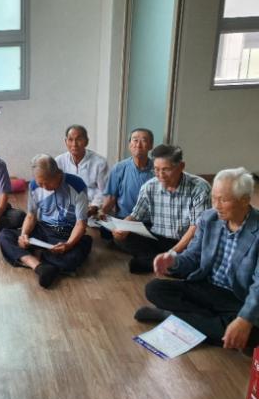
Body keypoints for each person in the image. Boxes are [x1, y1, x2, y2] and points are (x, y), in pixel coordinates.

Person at [135, 168, 259, 350]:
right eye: (213, 198)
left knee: (252, 333)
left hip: (237, 298)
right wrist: (173, 261)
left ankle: (170, 316)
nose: (216, 206)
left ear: (245, 200)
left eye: (223, 200)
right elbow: (192, 257)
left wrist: (244, 319)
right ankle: (210, 325)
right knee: (154, 288)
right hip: (205, 286)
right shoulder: (209, 219)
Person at [0, 154, 93, 288]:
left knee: (73, 258)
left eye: (46, 182)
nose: (43, 187)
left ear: (57, 174)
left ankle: (34, 256)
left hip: (67, 233)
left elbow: (80, 224)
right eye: (40, 183)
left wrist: (69, 245)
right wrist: (24, 235)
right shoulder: (34, 185)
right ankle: (38, 266)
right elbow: (31, 215)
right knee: (4, 236)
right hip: (43, 229)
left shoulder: (77, 185)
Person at [113, 144, 211, 274]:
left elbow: (195, 229)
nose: (161, 175)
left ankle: (158, 261)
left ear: (181, 166)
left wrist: (172, 252)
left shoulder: (199, 188)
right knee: (122, 237)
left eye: (166, 169)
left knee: (197, 255)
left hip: (187, 242)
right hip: (159, 239)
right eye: (156, 169)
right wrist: (122, 227)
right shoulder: (150, 186)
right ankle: (164, 263)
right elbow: (136, 215)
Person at [99, 128, 154, 238]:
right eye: (135, 140)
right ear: (129, 145)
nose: (138, 145)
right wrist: (101, 213)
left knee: (131, 237)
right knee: (104, 230)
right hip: (122, 219)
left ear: (150, 146)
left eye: (143, 140)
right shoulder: (119, 168)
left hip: (148, 222)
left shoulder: (158, 169)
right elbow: (111, 198)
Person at [55, 124, 109, 217]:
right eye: (70, 140)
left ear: (86, 141)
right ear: (65, 141)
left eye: (79, 139)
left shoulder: (99, 163)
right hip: (65, 208)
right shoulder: (59, 161)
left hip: (91, 208)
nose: (74, 144)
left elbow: (104, 191)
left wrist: (94, 206)